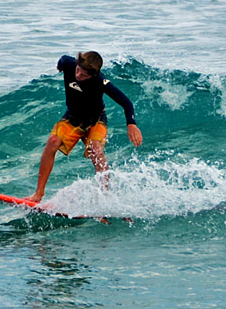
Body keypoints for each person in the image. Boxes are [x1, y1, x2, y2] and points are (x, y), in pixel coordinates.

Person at [25, 51, 143, 203]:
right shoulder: (69, 64)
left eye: (84, 75)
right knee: (53, 141)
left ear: (93, 75)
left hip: (96, 120)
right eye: (78, 69)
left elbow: (126, 102)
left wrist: (131, 124)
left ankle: (104, 200)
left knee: (96, 151)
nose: (79, 75)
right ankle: (38, 194)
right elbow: (62, 60)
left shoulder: (101, 81)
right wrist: (59, 67)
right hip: (73, 118)